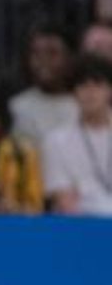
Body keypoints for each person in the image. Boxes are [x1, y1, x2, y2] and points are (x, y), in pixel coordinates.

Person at [37, 55, 112, 216]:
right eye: (83, 85)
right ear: (73, 92)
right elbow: (65, 203)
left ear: (109, 90)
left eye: (97, 84)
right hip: (80, 231)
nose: (90, 91)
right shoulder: (55, 142)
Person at [9, 28, 79, 148]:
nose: (43, 60)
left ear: (70, 58)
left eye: (52, 53)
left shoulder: (84, 105)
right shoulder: (17, 106)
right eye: (36, 53)